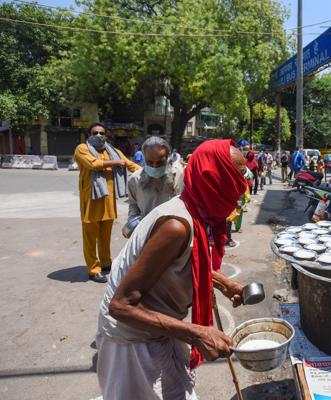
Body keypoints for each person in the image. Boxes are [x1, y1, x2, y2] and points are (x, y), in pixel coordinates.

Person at [96, 140, 249, 399]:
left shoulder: (195, 209)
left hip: (160, 326)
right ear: (215, 181)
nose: (242, 190)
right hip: (133, 338)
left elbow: (185, 262)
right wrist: (198, 332)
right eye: (236, 180)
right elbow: (120, 306)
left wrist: (223, 283)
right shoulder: (176, 226)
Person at [74, 123, 140, 283]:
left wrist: (148, 172)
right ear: (89, 134)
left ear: (106, 135)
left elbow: (129, 164)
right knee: (90, 237)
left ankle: (105, 263)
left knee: (105, 237)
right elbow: (93, 164)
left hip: (109, 202)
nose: (98, 135)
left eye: (101, 133)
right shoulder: (82, 148)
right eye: (95, 132)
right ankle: (93, 269)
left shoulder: (113, 151)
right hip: (91, 200)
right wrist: (115, 163)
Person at [125, 136, 184, 237]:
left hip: (173, 233)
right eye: (150, 162)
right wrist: (132, 223)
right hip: (144, 232)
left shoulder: (179, 175)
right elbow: (133, 205)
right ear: (144, 158)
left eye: (160, 162)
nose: (155, 166)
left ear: (168, 157)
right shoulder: (134, 179)